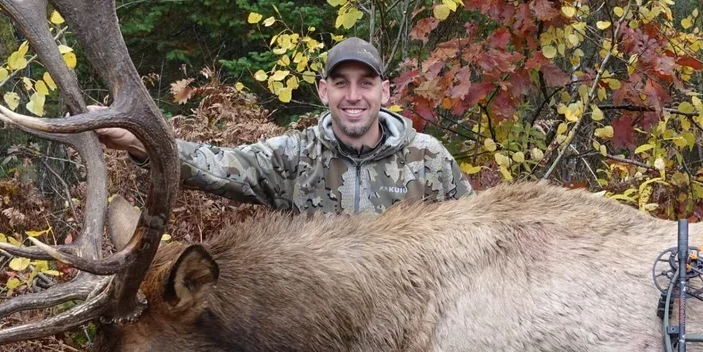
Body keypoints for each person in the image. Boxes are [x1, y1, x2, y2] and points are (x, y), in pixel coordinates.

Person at [95, 37, 472, 215]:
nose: (353, 95)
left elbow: (482, 237)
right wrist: (141, 140)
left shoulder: (428, 159)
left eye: (366, 83)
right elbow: (219, 165)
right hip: (320, 340)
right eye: (341, 83)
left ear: (385, 91)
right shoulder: (297, 157)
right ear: (324, 91)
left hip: (410, 338)